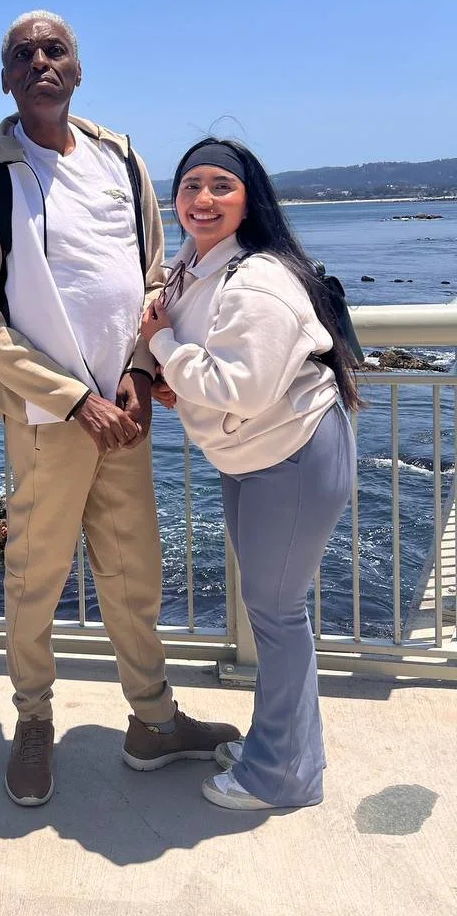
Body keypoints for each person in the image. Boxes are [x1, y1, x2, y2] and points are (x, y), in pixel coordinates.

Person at [0, 10, 238, 807]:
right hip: (52, 423)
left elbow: (154, 278)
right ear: (5, 78)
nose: (42, 61)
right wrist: (75, 398)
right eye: (23, 54)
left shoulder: (121, 157)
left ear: (77, 68)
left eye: (56, 50)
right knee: (35, 581)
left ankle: (152, 721)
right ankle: (34, 723)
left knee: (133, 573)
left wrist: (140, 377)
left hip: (127, 413)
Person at [140, 137, 359, 811]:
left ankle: (281, 777)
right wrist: (178, 373)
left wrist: (162, 348)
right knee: (272, 611)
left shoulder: (258, 280)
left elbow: (242, 384)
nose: (202, 200)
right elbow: (192, 335)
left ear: (247, 198)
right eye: (190, 186)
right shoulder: (196, 261)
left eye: (220, 187)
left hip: (290, 454)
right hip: (256, 456)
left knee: (277, 613)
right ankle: (283, 745)